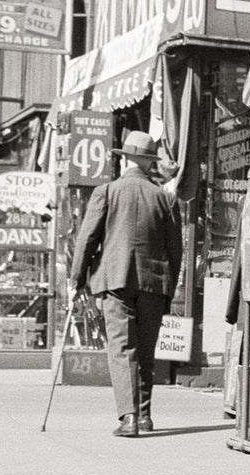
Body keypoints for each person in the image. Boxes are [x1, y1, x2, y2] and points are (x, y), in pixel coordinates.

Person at [69, 131, 182, 437]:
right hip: (153, 282)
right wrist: (169, 289)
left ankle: (129, 417)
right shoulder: (166, 198)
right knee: (145, 349)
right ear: (148, 162)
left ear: (125, 160)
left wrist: (77, 278)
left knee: (122, 348)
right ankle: (143, 415)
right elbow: (176, 250)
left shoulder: (106, 192)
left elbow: (87, 239)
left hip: (114, 279)